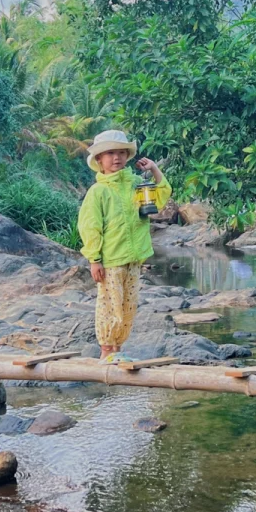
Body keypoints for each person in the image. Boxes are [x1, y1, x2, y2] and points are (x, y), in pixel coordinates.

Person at [78, 128, 171, 360]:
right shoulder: (98, 191)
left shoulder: (136, 184)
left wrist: (155, 169)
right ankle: (106, 351)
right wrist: (94, 260)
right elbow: (90, 227)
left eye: (120, 153)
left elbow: (159, 199)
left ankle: (117, 351)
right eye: (110, 154)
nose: (116, 158)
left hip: (134, 257)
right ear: (99, 159)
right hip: (111, 259)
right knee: (110, 306)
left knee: (128, 306)